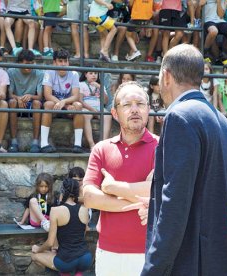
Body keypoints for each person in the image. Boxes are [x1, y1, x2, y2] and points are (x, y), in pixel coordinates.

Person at [141, 44, 227, 275]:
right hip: (219, 258)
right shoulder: (223, 122)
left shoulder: (180, 116)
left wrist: (154, 268)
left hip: (191, 261)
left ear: (166, 76)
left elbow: (174, 202)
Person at [83, 81, 157, 275]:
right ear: (115, 114)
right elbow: (90, 198)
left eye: (140, 104)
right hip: (108, 253)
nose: (134, 110)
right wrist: (143, 200)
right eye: (127, 104)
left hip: (150, 253)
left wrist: (112, 187)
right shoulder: (101, 149)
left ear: (148, 109)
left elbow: (163, 192)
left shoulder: (163, 147)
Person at [31, 178, 92, 275]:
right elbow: (82, 234)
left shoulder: (55, 210)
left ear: (62, 191)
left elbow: (50, 242)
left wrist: (37, 249)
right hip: (86, 259)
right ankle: (77, 273)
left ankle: (65, 273)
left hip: (66, 261)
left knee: (34, 255)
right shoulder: (84, 209)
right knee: (57, 255)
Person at [40, 48, 85, 153]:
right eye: (60, 61)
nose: (63, 64)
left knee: (78, 105)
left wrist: (64, 102)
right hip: (55, 107)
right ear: (54, 62)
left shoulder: (74, 74)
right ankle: (43, 143)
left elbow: (76, 96)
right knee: (48, 104)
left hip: (68, 106)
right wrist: (63, 105)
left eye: (65, 61)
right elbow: (47, 95)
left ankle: (78, 145)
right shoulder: (49, 72)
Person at [7, 49, 44, 153]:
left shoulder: (39, 73)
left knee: (37, 103)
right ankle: (14, 142)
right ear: (19, 63)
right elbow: (9, 94)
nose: (30, 66)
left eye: (32, 63)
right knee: (12, 102)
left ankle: (35, 142)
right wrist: (18, 98)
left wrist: (30, 96)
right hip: (16, 102)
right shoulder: (11, 71)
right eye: (27, 64)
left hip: (31, 103)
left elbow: (40, 96)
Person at [201, 0, 227, 64]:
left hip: (220, 21)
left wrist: (218, 2)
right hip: (208, 20)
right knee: (214, 31)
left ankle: (224, 54)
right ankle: (205, 52)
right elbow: (198, 9)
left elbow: (220, 15)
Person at [79, 69, 112, 149]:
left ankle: (104, 144)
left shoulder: (101, 85)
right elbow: (80, 100)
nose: (94, 75)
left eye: (95, 73)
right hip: (86, 107)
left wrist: (100, 88)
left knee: (108, 116)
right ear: (86, 74)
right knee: (86, 116)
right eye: (91, 73)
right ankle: (91, 144)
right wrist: (91, 109)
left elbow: (105, 101)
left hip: (99, 107)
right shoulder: (81, 84)